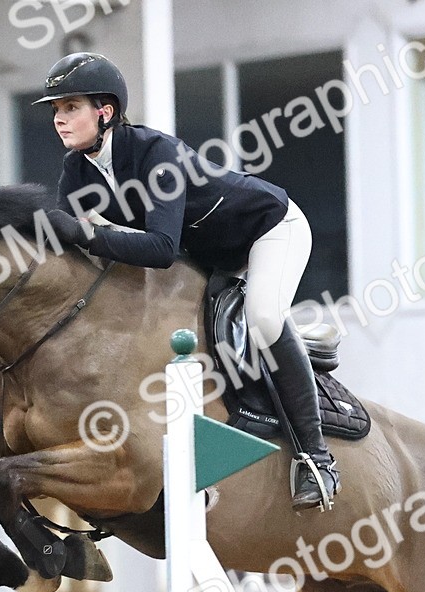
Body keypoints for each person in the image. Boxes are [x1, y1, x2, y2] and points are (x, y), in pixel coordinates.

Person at [36, 52, 339, 512]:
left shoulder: (156, 154)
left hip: (267, 229)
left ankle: (316, 460)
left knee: (261, 316)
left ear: (106, 112)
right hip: (207, 256)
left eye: (70, 107)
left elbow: (158, 248)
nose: (60, 119)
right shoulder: (75, 172)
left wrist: (90, 232)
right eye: (56, 110)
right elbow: (71, 248)